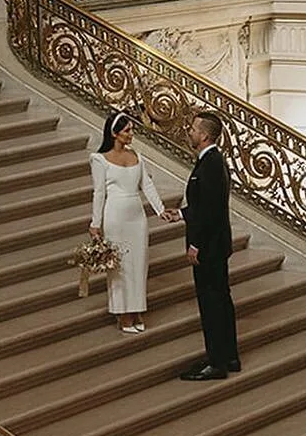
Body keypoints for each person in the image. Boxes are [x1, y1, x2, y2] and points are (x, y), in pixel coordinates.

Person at [172, 109, 240, 380]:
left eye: (193, 128)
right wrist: (179, 214)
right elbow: (202, 205)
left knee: (212, 303)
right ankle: (228, 355)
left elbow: (210, 211)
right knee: (222, 300)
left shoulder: (210, 164)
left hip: (209, 248)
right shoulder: (213, 161)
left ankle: (216, 362)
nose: (189, 131)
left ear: (205, 135)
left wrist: (196, 244)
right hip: (216, 245)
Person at [88, 110, 165, 332]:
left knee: (139, 264)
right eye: (127, 130)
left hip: (137, 217)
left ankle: (137, 309)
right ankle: (122, 313)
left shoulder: (137, 156)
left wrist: (160, 210)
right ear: (115, 133)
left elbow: (147, 185)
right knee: (120, 266)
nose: (131, 134)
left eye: (132, 130)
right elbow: (99, 193)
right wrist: (95, 223)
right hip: (115, 216)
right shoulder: (99, 160)